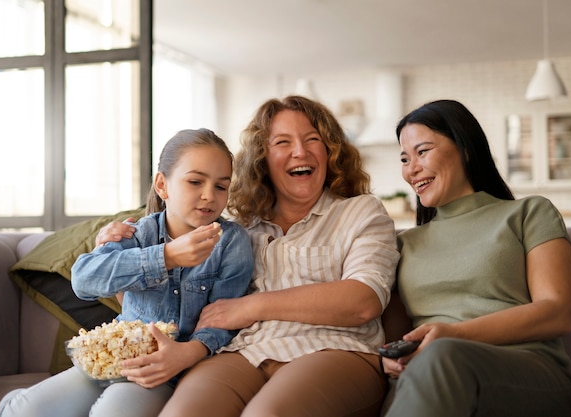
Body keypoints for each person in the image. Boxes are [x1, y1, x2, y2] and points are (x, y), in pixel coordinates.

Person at [97, 95, 400, 417]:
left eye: (313, 140)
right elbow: (166, 297)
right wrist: (118, 246)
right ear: (262, 159)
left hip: (335, 349)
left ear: (330, 152)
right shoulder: (236, 229)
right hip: (242, 351)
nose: (300, 151)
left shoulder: (361, 212)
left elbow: (363, 300)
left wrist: (250, 306)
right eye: (283, 142)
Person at [0, 128, 254, 417]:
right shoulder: (136, 232)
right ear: (162, 185)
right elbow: (84, 280)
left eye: (221, 186)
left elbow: (223, 320)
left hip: (171, 370)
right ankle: (17, 401)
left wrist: (187, 353)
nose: (209, 195)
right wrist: (166, 256)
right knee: (23, 412)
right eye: (195, 181)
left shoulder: (231, 242)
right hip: (113, 356)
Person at [380, 99, 571, 417]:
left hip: (526, 373)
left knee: (442, 358)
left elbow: (556, 313)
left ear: (465, 148)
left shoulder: (528, 213)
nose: (411, 169)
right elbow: (396, 337)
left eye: (422, 151)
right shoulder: (402, 244)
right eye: (405, 158)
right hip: (427, 380)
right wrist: (389, 359)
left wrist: (455, 334)